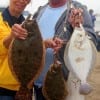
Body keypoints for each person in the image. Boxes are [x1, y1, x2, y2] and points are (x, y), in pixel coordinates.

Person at [33, 0, 97, 100]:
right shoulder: (40, 10)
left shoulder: (78, 9)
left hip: (64, 84)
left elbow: (92, 39)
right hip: (38, 84)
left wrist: (76, 27)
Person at [0, 0, 62, 100]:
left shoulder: (26, 22)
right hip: (4, 88)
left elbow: (29, 49)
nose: (22, 1)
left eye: (26, 0)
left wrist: (44, 44)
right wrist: (12, 36)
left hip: (27, 88)